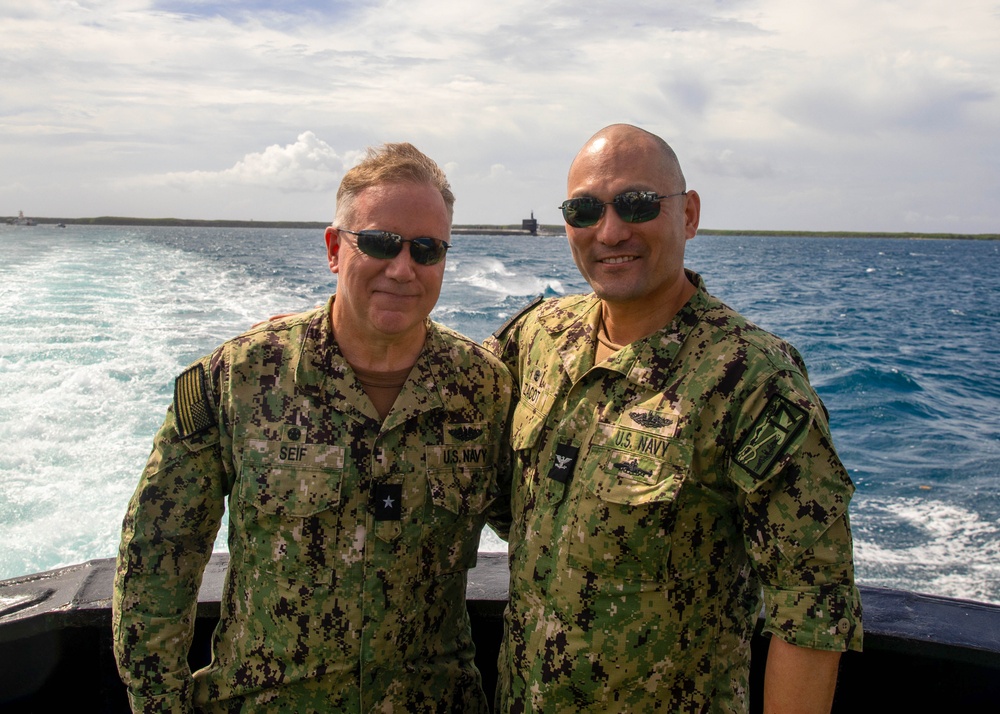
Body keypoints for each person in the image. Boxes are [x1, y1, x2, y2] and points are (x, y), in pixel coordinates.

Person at [112, 142, 513, 713]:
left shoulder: (483, 388)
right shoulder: (242, 376)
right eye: (379, 243)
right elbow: (161, 549)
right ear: (334, 248)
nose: (403, 268)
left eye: (427, 249)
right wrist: (159, 702)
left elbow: (537, 523)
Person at [484, 124, 863, 713]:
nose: (610, 231)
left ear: (688, 215)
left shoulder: (752, 380)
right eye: (584, 210)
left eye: (637, 204)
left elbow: (810, 606)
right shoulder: (538, 337)